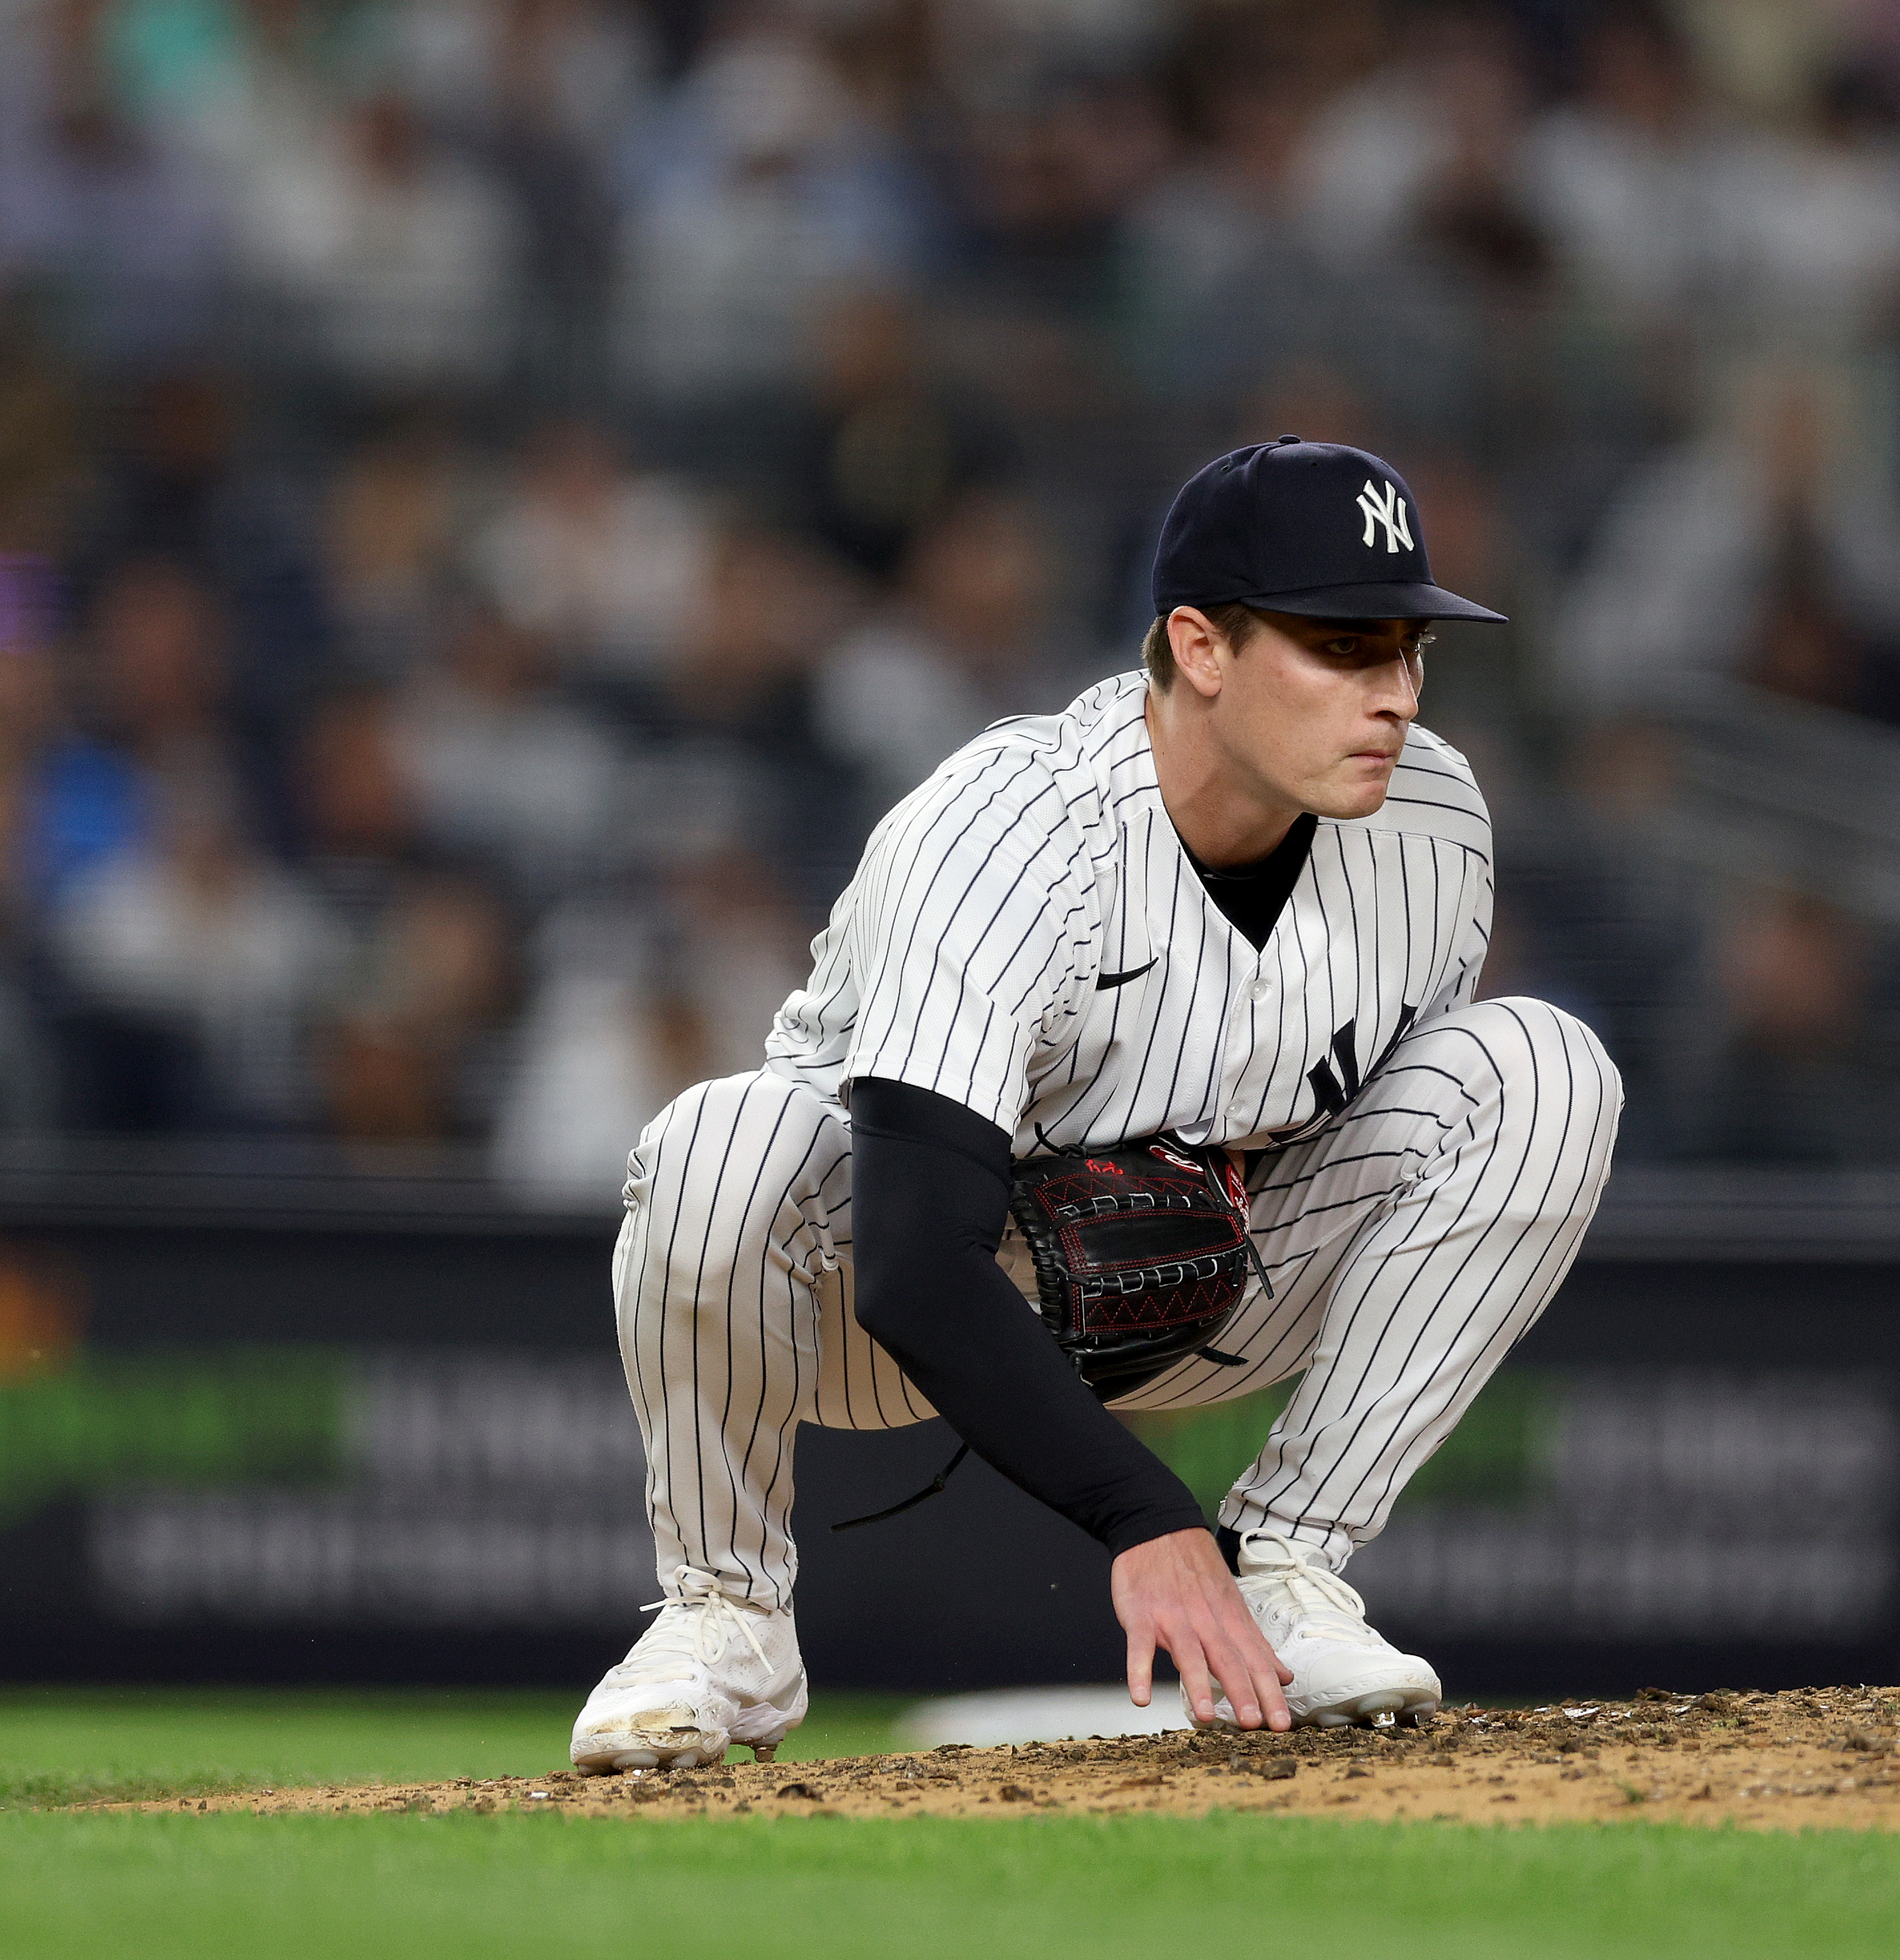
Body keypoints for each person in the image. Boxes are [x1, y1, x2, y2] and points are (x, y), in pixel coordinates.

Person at [568, 438, 1623, 1770]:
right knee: (712, 1144)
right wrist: (1142, 1514)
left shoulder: (1433, 822)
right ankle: (724, 1618)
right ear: (1198, 646)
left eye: (1410, 650)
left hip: (1224, 1273)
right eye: (1345, 649)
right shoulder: (1006, 829)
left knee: (1544, 1066)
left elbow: (1383, 1143)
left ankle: (1288, 1567)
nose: (1396, 697)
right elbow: (912, 1261)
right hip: (885, 1303)